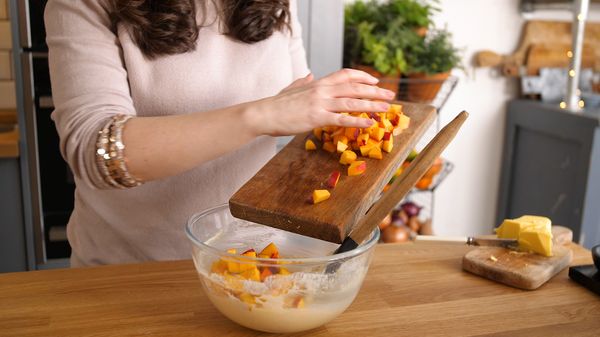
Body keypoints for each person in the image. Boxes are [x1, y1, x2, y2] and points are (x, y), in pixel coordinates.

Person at [44, 0, 395, 267]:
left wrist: (366, 160)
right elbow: (95, 151)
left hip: (257, 259)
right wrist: (263, 114)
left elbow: (300, 124)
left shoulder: (277, 3)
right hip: (131, 272)